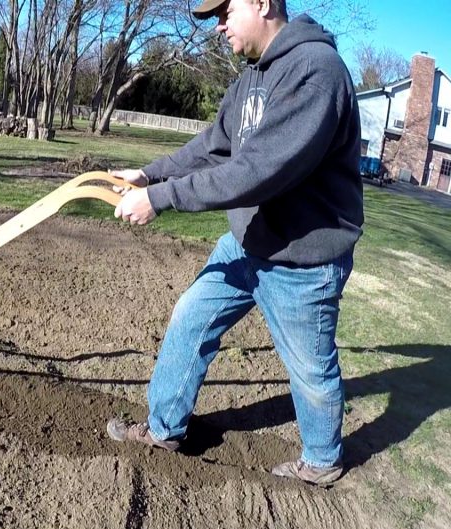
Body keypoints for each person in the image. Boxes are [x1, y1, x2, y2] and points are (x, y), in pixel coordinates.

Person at [105, 0, 364, 485]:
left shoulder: (316, 72)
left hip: (302, 259)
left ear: (263, 2)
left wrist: (161, 198)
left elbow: (255, 172)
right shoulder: (251, 79)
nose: (219, 25)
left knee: (309, 368)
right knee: (191, 317)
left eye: (225, 10)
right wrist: (147, 174)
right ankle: (164, 428)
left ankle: (322, 461)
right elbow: (212, 147)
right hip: (246, 243)